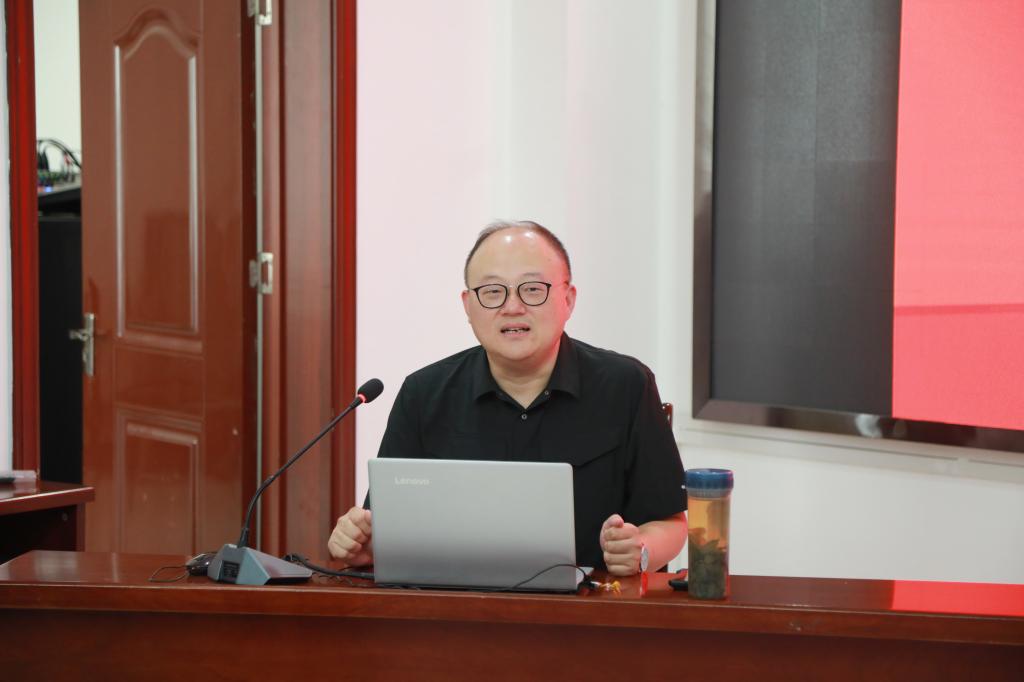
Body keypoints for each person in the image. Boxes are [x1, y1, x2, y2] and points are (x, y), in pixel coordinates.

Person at [328, 221, 687, 575]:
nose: (512, 307)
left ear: (568, 299)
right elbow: (386, 527)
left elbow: (670, 521)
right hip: (454, 605)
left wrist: (640, 550)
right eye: (492, 291)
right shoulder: (424, 394)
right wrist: (364, 545)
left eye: (532, 289)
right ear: (468, 306)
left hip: (590, 606)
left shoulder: (625, 385)